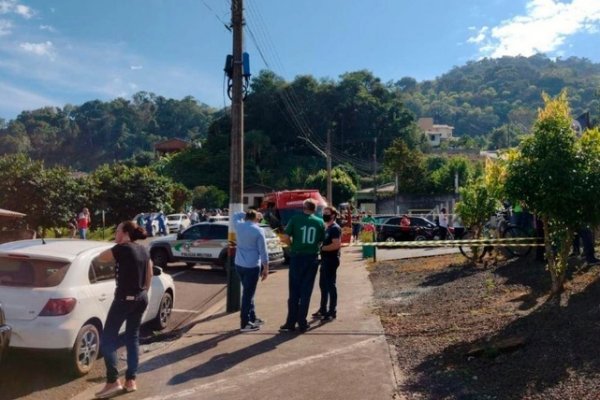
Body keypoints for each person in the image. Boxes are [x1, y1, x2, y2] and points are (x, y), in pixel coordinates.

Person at [94, 221, 152, 398]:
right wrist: (141, 294)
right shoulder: (143, 249)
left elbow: (101, 258)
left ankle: (113, 381)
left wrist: (118, 243)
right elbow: (149, 275)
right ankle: (130, 381)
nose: (115, 233)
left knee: (107, 339)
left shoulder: (122, 248)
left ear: (125, 232)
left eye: (117, 230)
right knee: (132, 337)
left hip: (123, 299)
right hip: (141, 297)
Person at [279, 199, 325, 333]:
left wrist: (292, 247)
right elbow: (321, 239)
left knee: (294, 291)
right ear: (314, 209)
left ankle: (290, 322)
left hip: (297, 257)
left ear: (304, 207)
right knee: (306, 291)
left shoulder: (295, 219)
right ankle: (302, 322)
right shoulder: (319, 222)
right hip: (311, 258)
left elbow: (286, 237)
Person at [233, 209, 270, 332]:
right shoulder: (258, 230)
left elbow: (235, 215)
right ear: (256, 218)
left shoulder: (239, 226)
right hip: (252, 266)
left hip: (239, 264)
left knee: (248, 292)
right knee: (248, 295)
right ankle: (245, 323)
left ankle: (252, 317)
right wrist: (266, 267)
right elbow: (263, 251)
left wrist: (247, 214)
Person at [313, 206, 342, 321]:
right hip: (325, 260)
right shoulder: (327, 228)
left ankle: (332, 311)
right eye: (323, 212)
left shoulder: (335, 228)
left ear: (333, 215)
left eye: (327, 213)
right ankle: (323, 309)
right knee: (323, 286)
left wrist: (322, 248)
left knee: (330, 286)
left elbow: (336, 245)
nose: (324, 214)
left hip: (331, 260)